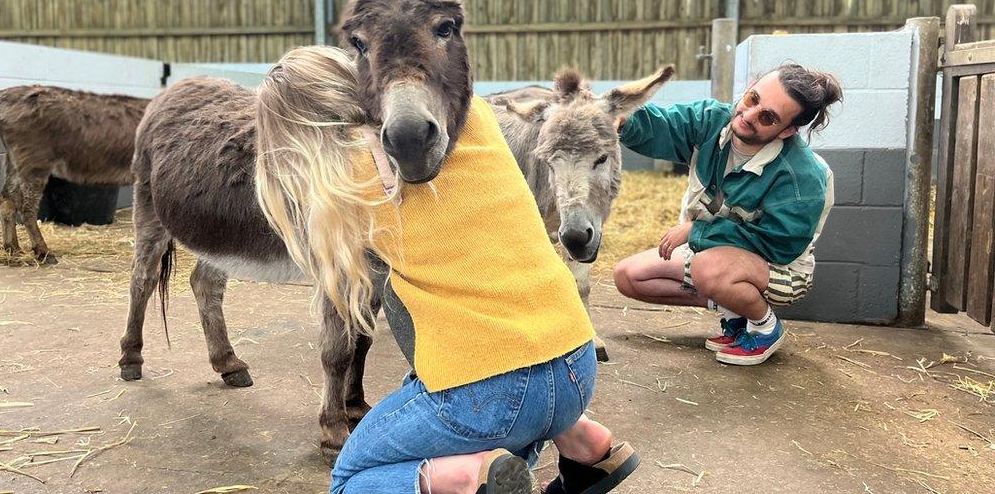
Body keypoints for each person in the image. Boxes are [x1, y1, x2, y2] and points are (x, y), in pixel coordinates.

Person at [329, 95, 640, 494]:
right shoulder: (476, 115)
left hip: (488, 391)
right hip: (576, 365)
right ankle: (579, 441)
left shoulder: (341, 162)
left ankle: (460, 478)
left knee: (349, 479)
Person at [613, 63, 841, 366]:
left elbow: (779, 245)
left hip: (782, 271)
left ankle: (764, 327)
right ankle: (734, 310)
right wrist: (622, 118)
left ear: (787, 130)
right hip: (715, 254)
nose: (747, 116)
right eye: (752, 99)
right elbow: (663, 126)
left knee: (708, 268)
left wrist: (696, 232)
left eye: (767, 117)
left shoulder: (801, 176)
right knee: (628, 277)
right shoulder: (712, 122)